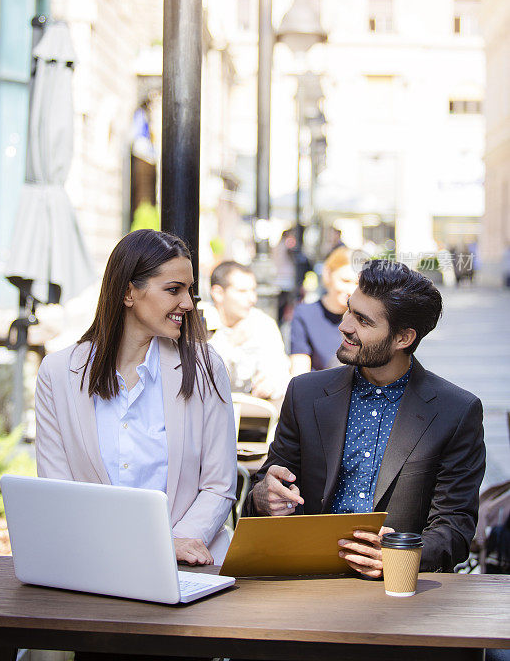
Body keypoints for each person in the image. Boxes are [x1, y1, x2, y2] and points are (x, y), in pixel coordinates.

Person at [244, 260, 485, 575]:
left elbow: (455, 527)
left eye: (363, 320)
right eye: (348, 309)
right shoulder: (305, 393)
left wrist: (402, 556)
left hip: (398, 591)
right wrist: (264, 497)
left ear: (403, 338)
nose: (344, 325)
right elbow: (265, 489)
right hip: (306, 579)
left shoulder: (456, 410)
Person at [35, 229, 237, 566]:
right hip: (93, 566)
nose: (187, 303)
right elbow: (59, 494)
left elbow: (219, 485)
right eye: (174, 290)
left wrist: (172, 544)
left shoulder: (205, 366)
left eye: (189, 290)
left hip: (186, 567)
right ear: (129, 292)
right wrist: (134, 548)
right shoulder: (58, 374)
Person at [208, 260, 290, 408]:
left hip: (254, 420)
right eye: (242, 292)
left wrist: (271, 384)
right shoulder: (201, 322)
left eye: (253, 291)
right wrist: (230, 345)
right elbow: (200, 377)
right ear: (218, 293)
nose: (252, 299)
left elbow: (281, 373)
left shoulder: (262, 324)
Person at [290, 246, 358, 375]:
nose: (351, 290)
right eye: (345, 280)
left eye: (357, 283)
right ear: (328, 274)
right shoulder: (305, 314)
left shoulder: (367, 318)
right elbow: (299, 372)